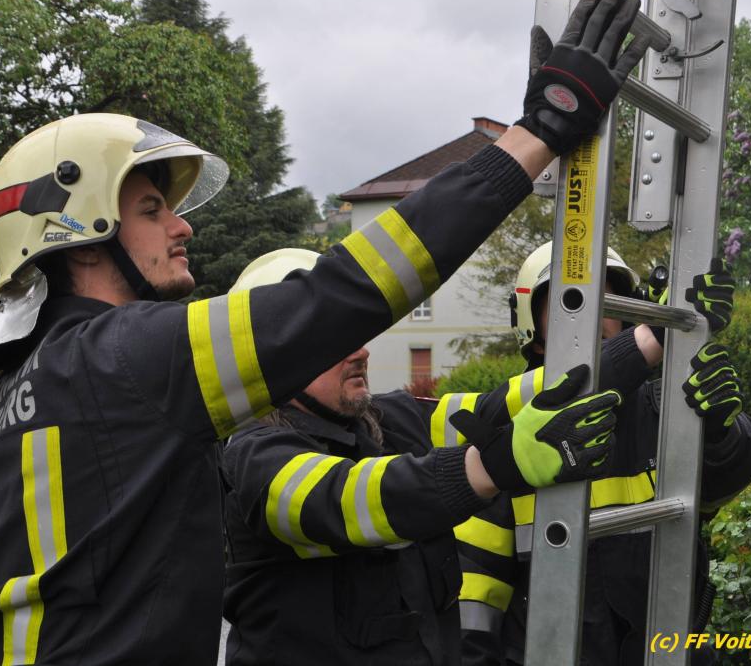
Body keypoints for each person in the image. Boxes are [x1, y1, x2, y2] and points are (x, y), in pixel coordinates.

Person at [0, 0, 648, 663]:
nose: (181, 227)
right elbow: (344, 296)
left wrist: (651, 339)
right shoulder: (120, 360)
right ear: (80, 238)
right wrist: (540, 131)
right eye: (150, 210)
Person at [221, 248, 621, 665]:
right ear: (269, 357)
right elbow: (349, 498)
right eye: (333, 337)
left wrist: (645, 342)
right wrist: (491, 467)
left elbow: (500, 405)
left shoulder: (389, 420)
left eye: (357, 331)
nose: (361, 351)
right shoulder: (254, 456)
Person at [458, 243, 751, 666]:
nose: (588, 314)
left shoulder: (661, 407)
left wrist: (719, 432)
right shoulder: (508, 429)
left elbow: (722, 483)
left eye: (606, 298)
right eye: (570, 300)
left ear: (626, 315)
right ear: (532, 325)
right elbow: (476, 595)